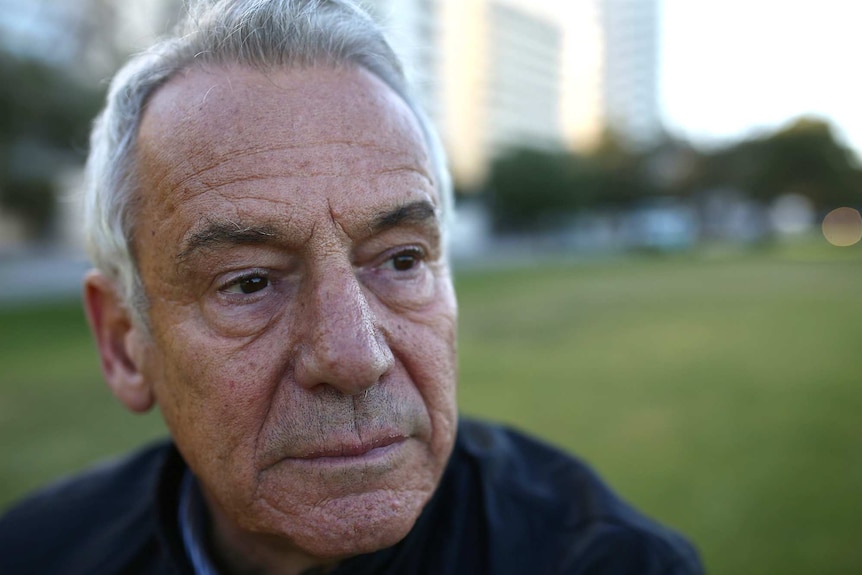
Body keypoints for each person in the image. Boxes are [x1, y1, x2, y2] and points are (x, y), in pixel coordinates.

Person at [0, 1, 703, 573]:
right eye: (249, 281)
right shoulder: (35, 551)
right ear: (126, 344)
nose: (354, 355)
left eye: (401, 261)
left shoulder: (611, 561)